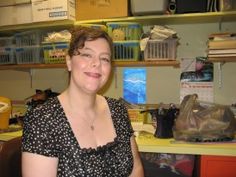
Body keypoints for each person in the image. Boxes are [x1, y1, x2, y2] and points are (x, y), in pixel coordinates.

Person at [22, 26, 144, 177]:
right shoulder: (42, 120)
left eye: (104, 58)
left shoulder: (117, 110)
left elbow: (136, 170)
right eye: (87, 55)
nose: (96, 63)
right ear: (68, 62)